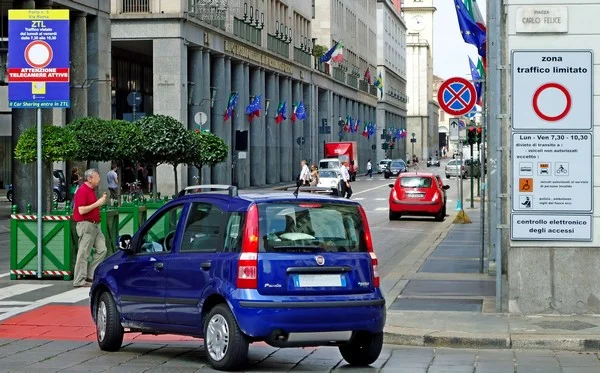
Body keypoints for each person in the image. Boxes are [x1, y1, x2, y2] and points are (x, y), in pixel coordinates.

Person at [72, 169, 108, 288]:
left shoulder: (91, 190)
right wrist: (98, 203)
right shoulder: (83, 191)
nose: (99, 179)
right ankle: (79, 279)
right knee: (84, 252)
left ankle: (91, 275)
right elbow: (81, 210)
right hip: (86, 225)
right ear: (90, 179)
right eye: (97, 177)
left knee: (102, 249)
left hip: (95, 225)